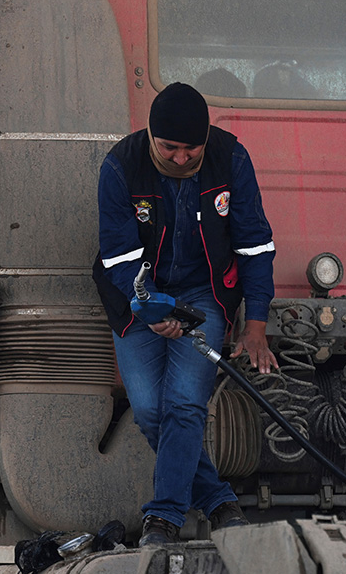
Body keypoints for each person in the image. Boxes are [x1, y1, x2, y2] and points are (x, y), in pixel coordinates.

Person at [94, 82, 277, 546]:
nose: (180, 158)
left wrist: (256, 324)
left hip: (204, 295)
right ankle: (218, 500)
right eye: (169, 148)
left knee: (184, 403)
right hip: (135, 295)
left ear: (206, 138)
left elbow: (255, 245)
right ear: (151, 136)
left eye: (190, 149)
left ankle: (165, 518)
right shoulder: (120, 166)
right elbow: (119, 257)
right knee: (152, 411)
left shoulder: (231, 159)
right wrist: (153, 307)